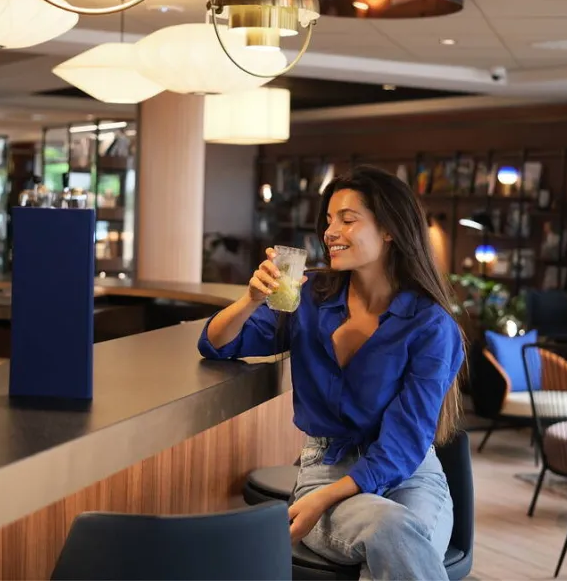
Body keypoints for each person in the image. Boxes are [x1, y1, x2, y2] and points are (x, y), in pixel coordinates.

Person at [198, 165, 466, 580]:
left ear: (390, 229)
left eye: (347, 219)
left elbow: (405, 442)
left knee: (397, 535)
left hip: (411, 478)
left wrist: (321, 502)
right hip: (325, 469)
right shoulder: (309, 297)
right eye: (328, 220)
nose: (330, 232)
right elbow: (218, 343)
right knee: (394, 531)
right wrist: (251, 299)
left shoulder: (431, 325)